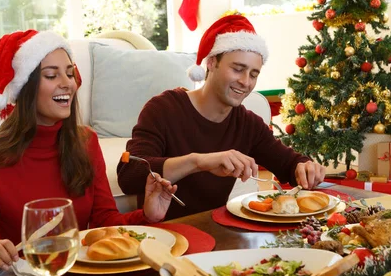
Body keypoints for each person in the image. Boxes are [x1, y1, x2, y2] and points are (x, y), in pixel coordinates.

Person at [0, 30, 177, 275]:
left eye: (69, 73)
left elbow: (104, 222)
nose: (67, 83)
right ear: (25, 87)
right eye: (51, 75)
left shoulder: (86, 142)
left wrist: (148, 215)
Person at [117, 15, 325, 220]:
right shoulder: (164, 108)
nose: (245, 82)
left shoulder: (247, 124)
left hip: (216, 233)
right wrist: (199, 162)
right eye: (237, 69)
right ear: (211, 62)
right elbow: (130, 175)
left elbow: (289, 164)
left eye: (253, 74)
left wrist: (305, 167)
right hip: (166, 236)